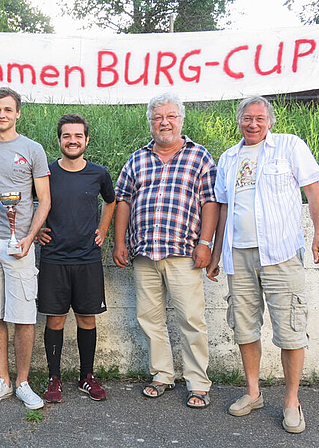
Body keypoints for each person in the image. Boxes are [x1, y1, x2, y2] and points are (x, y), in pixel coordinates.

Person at [207, 96, 319, 433]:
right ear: (238, 121)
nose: (252, 124)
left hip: (281, 254)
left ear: (269, 120)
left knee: (289, 329)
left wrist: (318, 233)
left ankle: (291, 401)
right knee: (244, 326)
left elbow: (313, 190)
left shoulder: (289, 147)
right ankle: (253, 392)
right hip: (238, 255)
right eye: (246, 118)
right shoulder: (229, 157)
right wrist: (215, 254)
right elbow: (223, 208)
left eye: (259, 118)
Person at [113, 92, 218, 408]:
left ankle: (198, 383)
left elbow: (210, 202)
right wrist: (119, 243)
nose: (164, 122)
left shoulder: (199, 157)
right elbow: (123, 201)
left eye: (171, 116)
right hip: (145, 252)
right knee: (150, 318)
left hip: (184, 252)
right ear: (150, 123)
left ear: (181, 120)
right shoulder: (137, 159)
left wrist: (205, 244)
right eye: (158, 117)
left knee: (191, 318)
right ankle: (162, 375)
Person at [0, 87, 51, 410]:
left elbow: (44, 200)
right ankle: (2, 381)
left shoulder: (32, 149)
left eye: (7, 109)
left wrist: (29, 239)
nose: (1, 114)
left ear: (18, 113)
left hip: (20, 243)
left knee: (23, 316)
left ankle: (23, 383)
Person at [37, 114, 115, 403]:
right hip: (54, 259)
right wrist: (35, 232)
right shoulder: (45, 174)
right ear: (59, 140)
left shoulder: (98, 173)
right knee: (55, 321)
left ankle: (86, 376)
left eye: (77, 136)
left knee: (87, 319)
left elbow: (111, 201)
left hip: (87, 259)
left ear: (86, 140)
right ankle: (53, 378)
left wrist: (103, 229)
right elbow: (28, 202)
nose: (72, 140)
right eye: (66, 136)